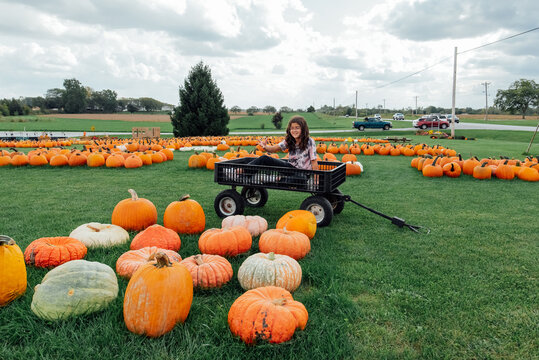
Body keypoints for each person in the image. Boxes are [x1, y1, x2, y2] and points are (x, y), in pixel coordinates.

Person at [252, 115, 319, 170]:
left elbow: (314, 162)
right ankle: (243, 171)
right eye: (292, 128)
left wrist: (316, 181)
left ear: (303, 129)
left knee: (288, 181)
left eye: (297, 128)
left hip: (302, 174)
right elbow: (274, 149)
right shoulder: (290, 140)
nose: (294, 130)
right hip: (290, 169)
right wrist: (265, 147)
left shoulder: (309, 141)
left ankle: (277, 180)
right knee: (264, 158)